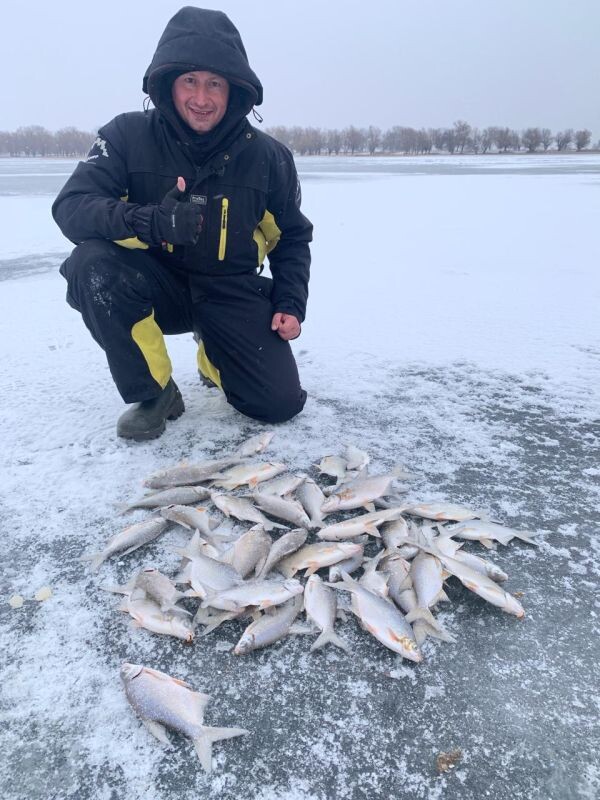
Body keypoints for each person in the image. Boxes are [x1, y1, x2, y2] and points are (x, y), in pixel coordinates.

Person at [52, 6, 312, 441]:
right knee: (91, 265)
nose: (201, 97)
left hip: (230, 288)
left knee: (276, 405)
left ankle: (214, 350)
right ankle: (155, 392)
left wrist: (290, 300)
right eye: (189, 80)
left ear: (236, 90)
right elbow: (72, 207)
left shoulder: (268, 156)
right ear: (166, 82)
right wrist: (149, 221)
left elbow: (293, 236)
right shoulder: (125, 136)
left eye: (215, 83)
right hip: (157, 284)